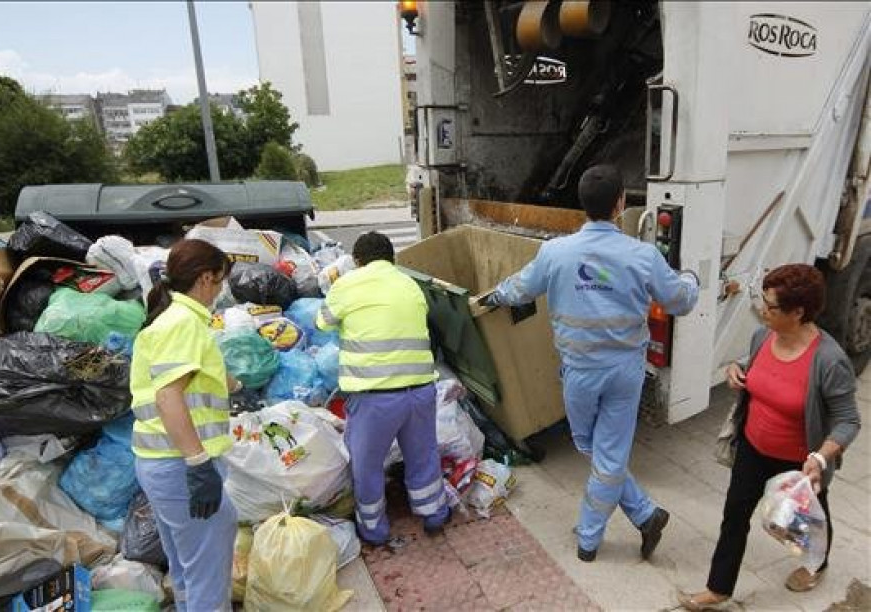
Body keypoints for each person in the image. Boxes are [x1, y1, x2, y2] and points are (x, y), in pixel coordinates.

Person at [478, 164, 700, 562]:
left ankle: (589, 538)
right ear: (620, 204)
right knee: (606, 452)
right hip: (625, 371)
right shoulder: (643, 255)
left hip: (580, 371)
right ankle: (645, 515)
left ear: (581, 205)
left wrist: (493, 296)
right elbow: (680, 300)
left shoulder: (555, 252)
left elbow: (520, 288)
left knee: (590, 445)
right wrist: (692, 279)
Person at [677, 263, 861, 610]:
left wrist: (819, 458)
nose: (762, 310)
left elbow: (848, 420)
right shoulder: (763, 336)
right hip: (752, 447)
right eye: (762, 300)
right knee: (734, 515)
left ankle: (816, 563)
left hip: (798, 462)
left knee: (808, 519)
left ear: (798, 312)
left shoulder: (829, 360)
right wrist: (737, 369)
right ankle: (719, 588)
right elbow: (753, 365)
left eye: (771, 306)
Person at [316, 231, 450, 545]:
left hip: (374, 397)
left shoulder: (347, 284)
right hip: (420, 391)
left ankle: (375, 530)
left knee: (367, 466)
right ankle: (435, 515)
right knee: (423, 455)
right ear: (393, 259)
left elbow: (322, 322)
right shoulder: (411, 285)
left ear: (357, 261)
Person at [130, 238, 241, 611]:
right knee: (208, 576)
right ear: (206, 278)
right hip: (181, 467)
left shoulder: (172, 319)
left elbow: (186, 379)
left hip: (159, 463)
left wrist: (233, 383)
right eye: (221, 281)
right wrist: (198, 465)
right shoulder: (183, 324)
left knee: (188, 568)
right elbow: (169, 397)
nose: (222, 290)